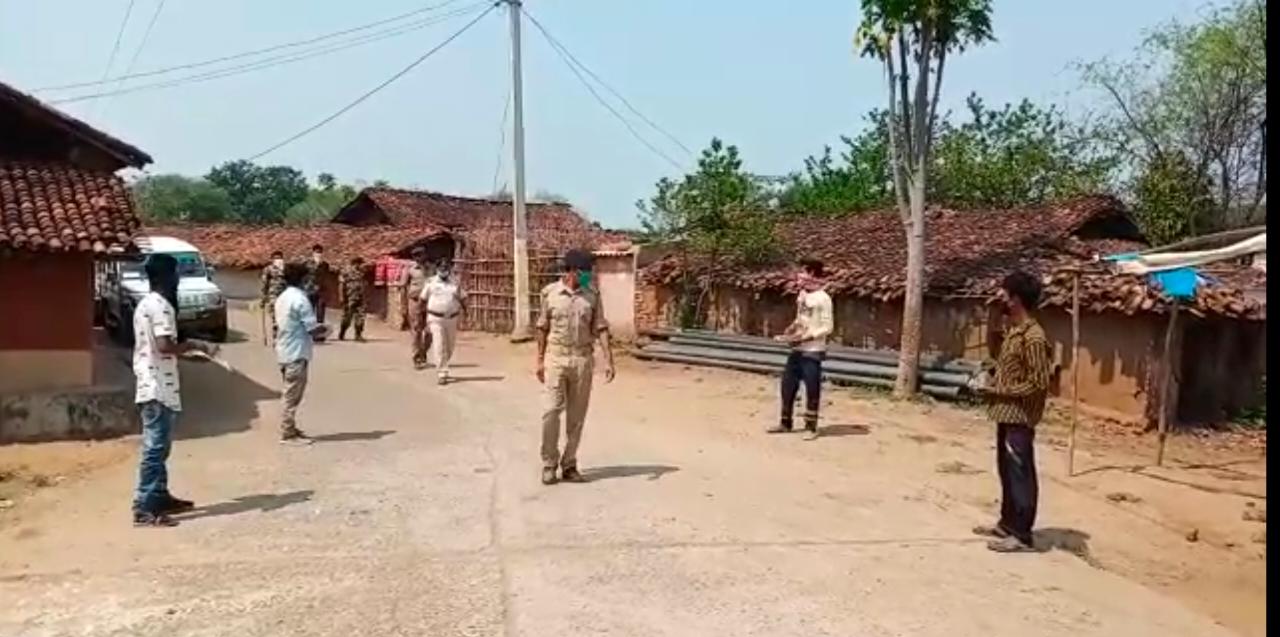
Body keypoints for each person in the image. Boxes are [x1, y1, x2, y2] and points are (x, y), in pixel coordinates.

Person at [131, 254, 217, 527]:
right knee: (155, 448)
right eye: (176, 273)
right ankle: (144, 506)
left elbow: (160, 350)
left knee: (161, 447)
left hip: (156, 381)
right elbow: (165, 345)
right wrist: (195, 345)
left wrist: (191, 357)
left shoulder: (146, 303)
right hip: (157, 386)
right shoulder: (162, 306)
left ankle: (159, 495)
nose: (178, 278)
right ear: (167, 276)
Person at [973, 270, 1053, 553]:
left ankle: (1022, 534)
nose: (1000, 298)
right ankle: (1007, 523)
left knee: (1020, 472)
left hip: (1020, 416)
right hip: (1006, 413)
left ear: (1016, 299)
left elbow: (1038, 383)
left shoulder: (1034, 337)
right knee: (1006, 470)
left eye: (1004, 294)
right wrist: (992, 369)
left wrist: (1000, 391)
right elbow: (1004, 362)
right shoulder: (1014, 332)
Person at [535, 248, 615, 485]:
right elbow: (542, 328)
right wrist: (539, 359)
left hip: (582, 359)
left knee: (577, 417)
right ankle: (549, 463)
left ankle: (569, 464)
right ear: (573, 271)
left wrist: (609, 360)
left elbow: (600, 327)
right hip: (556, 358)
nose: (590, 275)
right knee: (551, 411)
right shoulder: (550, 294)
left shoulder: (592, 295)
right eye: (586, 271)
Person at [767, 258, 833, 441]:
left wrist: (807, 337)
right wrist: (790, 330)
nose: (799, 276)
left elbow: (827, 327)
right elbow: (800, 319)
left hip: (813, 350)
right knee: (787, 385)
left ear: (812, 274)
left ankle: (811, 427)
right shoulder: (803, 296)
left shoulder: (823, 299)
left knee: (812, 388)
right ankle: (785, 422)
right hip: (797, 349)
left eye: (802, 272)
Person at [275, 262, 329, 445]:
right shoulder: (300, 300)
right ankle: (287, 432)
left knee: (290, 391)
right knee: (292, 395)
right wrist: (327, 330)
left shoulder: (282, 297)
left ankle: (290, 427)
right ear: (304, 279)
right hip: (297, 351)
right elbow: (312, 329)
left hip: (284, 349)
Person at [419, 259, 468, 385]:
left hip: (452, 318)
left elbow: (463, 298)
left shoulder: (455, 283)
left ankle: (444, 362)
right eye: (441, 267)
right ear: (437, 269)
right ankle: (442, 372)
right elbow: (422, 300)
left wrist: (466, 312)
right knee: (439, 344)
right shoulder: (431, 282)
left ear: (449, 269)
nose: (443, 269)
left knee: (450, 346)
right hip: (435, 318)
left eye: (446, 267)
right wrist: (421, 317)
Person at [398, 247, 433, 369]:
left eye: (421, 255)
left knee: (430, 331)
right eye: (416, 256)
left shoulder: (431, 269)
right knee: (416, 330)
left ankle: (423, 352)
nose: (419, 258)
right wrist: (403, 305)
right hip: (415, 302)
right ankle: (417, 357)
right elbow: (403, 288)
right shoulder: (410, 269)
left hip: (430, 303)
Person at [303, 244, 331, 336]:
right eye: (317, 252)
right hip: (309, 290)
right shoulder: (306, 263)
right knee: (309, 310)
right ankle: (309, 331)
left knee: (321, 310)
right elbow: (303, 276)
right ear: (313, 252)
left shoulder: (325, 265)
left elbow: (326, 277)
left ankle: (319, 332)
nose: (318, 254)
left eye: (320, 252)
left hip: (321, 290)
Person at [338, 256, 367, 342]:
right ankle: (342, 332)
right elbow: (341, 285)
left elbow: (363, 283)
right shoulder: (346, 271)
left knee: (361, 316)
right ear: (355, 263)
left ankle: (358, 335)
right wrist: (341, 297)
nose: (361, 265)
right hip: (349, 298)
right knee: (347, 317)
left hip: (360, 298)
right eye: (360, 264)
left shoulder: (362, 272)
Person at [260, 250, 287, 338]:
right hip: (273, 293)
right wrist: (263, 298)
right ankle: (275, 326)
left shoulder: (286, 269)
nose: (278, 260)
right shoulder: (268, 269)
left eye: (280, 258)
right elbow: (264, 284)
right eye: (276, 258)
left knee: (284, 312)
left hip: (285, 294)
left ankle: (282, 329)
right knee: (274, 309)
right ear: (272, 260)